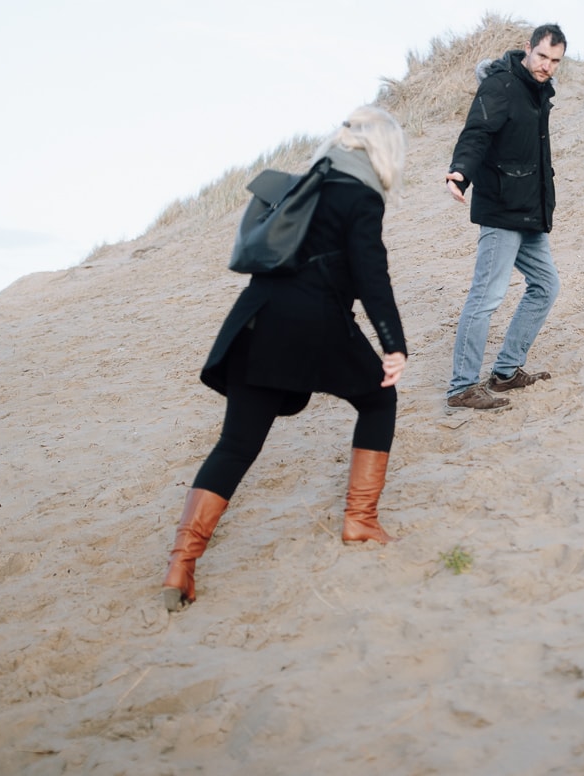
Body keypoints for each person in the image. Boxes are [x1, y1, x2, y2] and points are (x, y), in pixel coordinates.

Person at [161, 107, 409, 611]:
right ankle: (359, 520)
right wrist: (392, 341)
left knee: (236, 445)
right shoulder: (360, 194)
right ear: (384, 153)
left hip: (257, 319)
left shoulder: (302, 185)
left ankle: (181, 565)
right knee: (380, 400)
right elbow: (370, 273)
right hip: (315, 324)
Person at [443, 24, 566, 411]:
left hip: (528, 210)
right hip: (501, 210)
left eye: (555, 61)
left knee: (546, 285)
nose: (547, 66)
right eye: (543, 56)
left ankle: (507, 371)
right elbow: (477, 132)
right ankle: (462, 386)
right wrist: (460, 171)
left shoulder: (538, 91)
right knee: (486, 296)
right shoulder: (501, 85)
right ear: (528, 49)